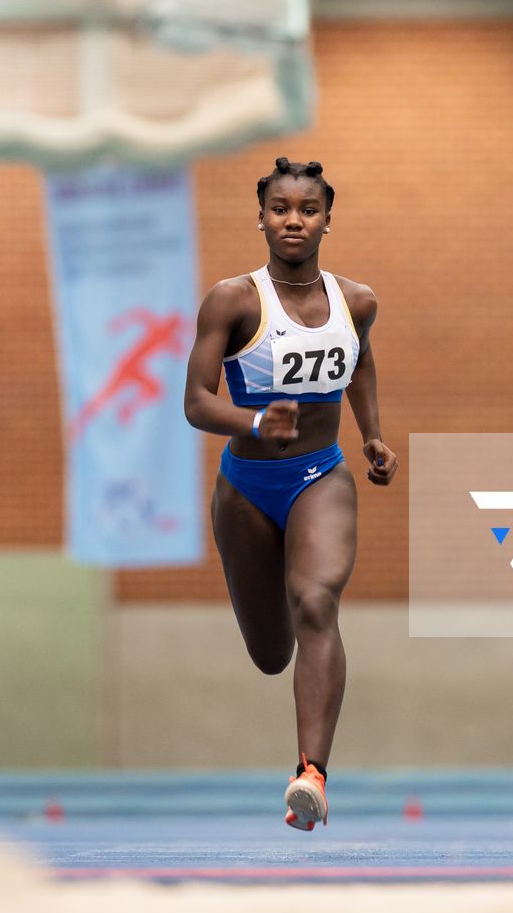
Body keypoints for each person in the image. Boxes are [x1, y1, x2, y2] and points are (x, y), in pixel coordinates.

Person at [183, 157, 397, 830]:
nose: (294, 220)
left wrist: (373, 437)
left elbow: (359, 361)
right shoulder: (233, 301)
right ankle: (273, 591)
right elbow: (193, 402)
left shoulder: (356, 300)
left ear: (327, 218)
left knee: (316, 600)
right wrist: (253, 421)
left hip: (320, 475)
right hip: (246, 488)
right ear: (262, 217)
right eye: (280, 208)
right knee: (273, 655)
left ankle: (311, 775)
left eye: (308, 209)